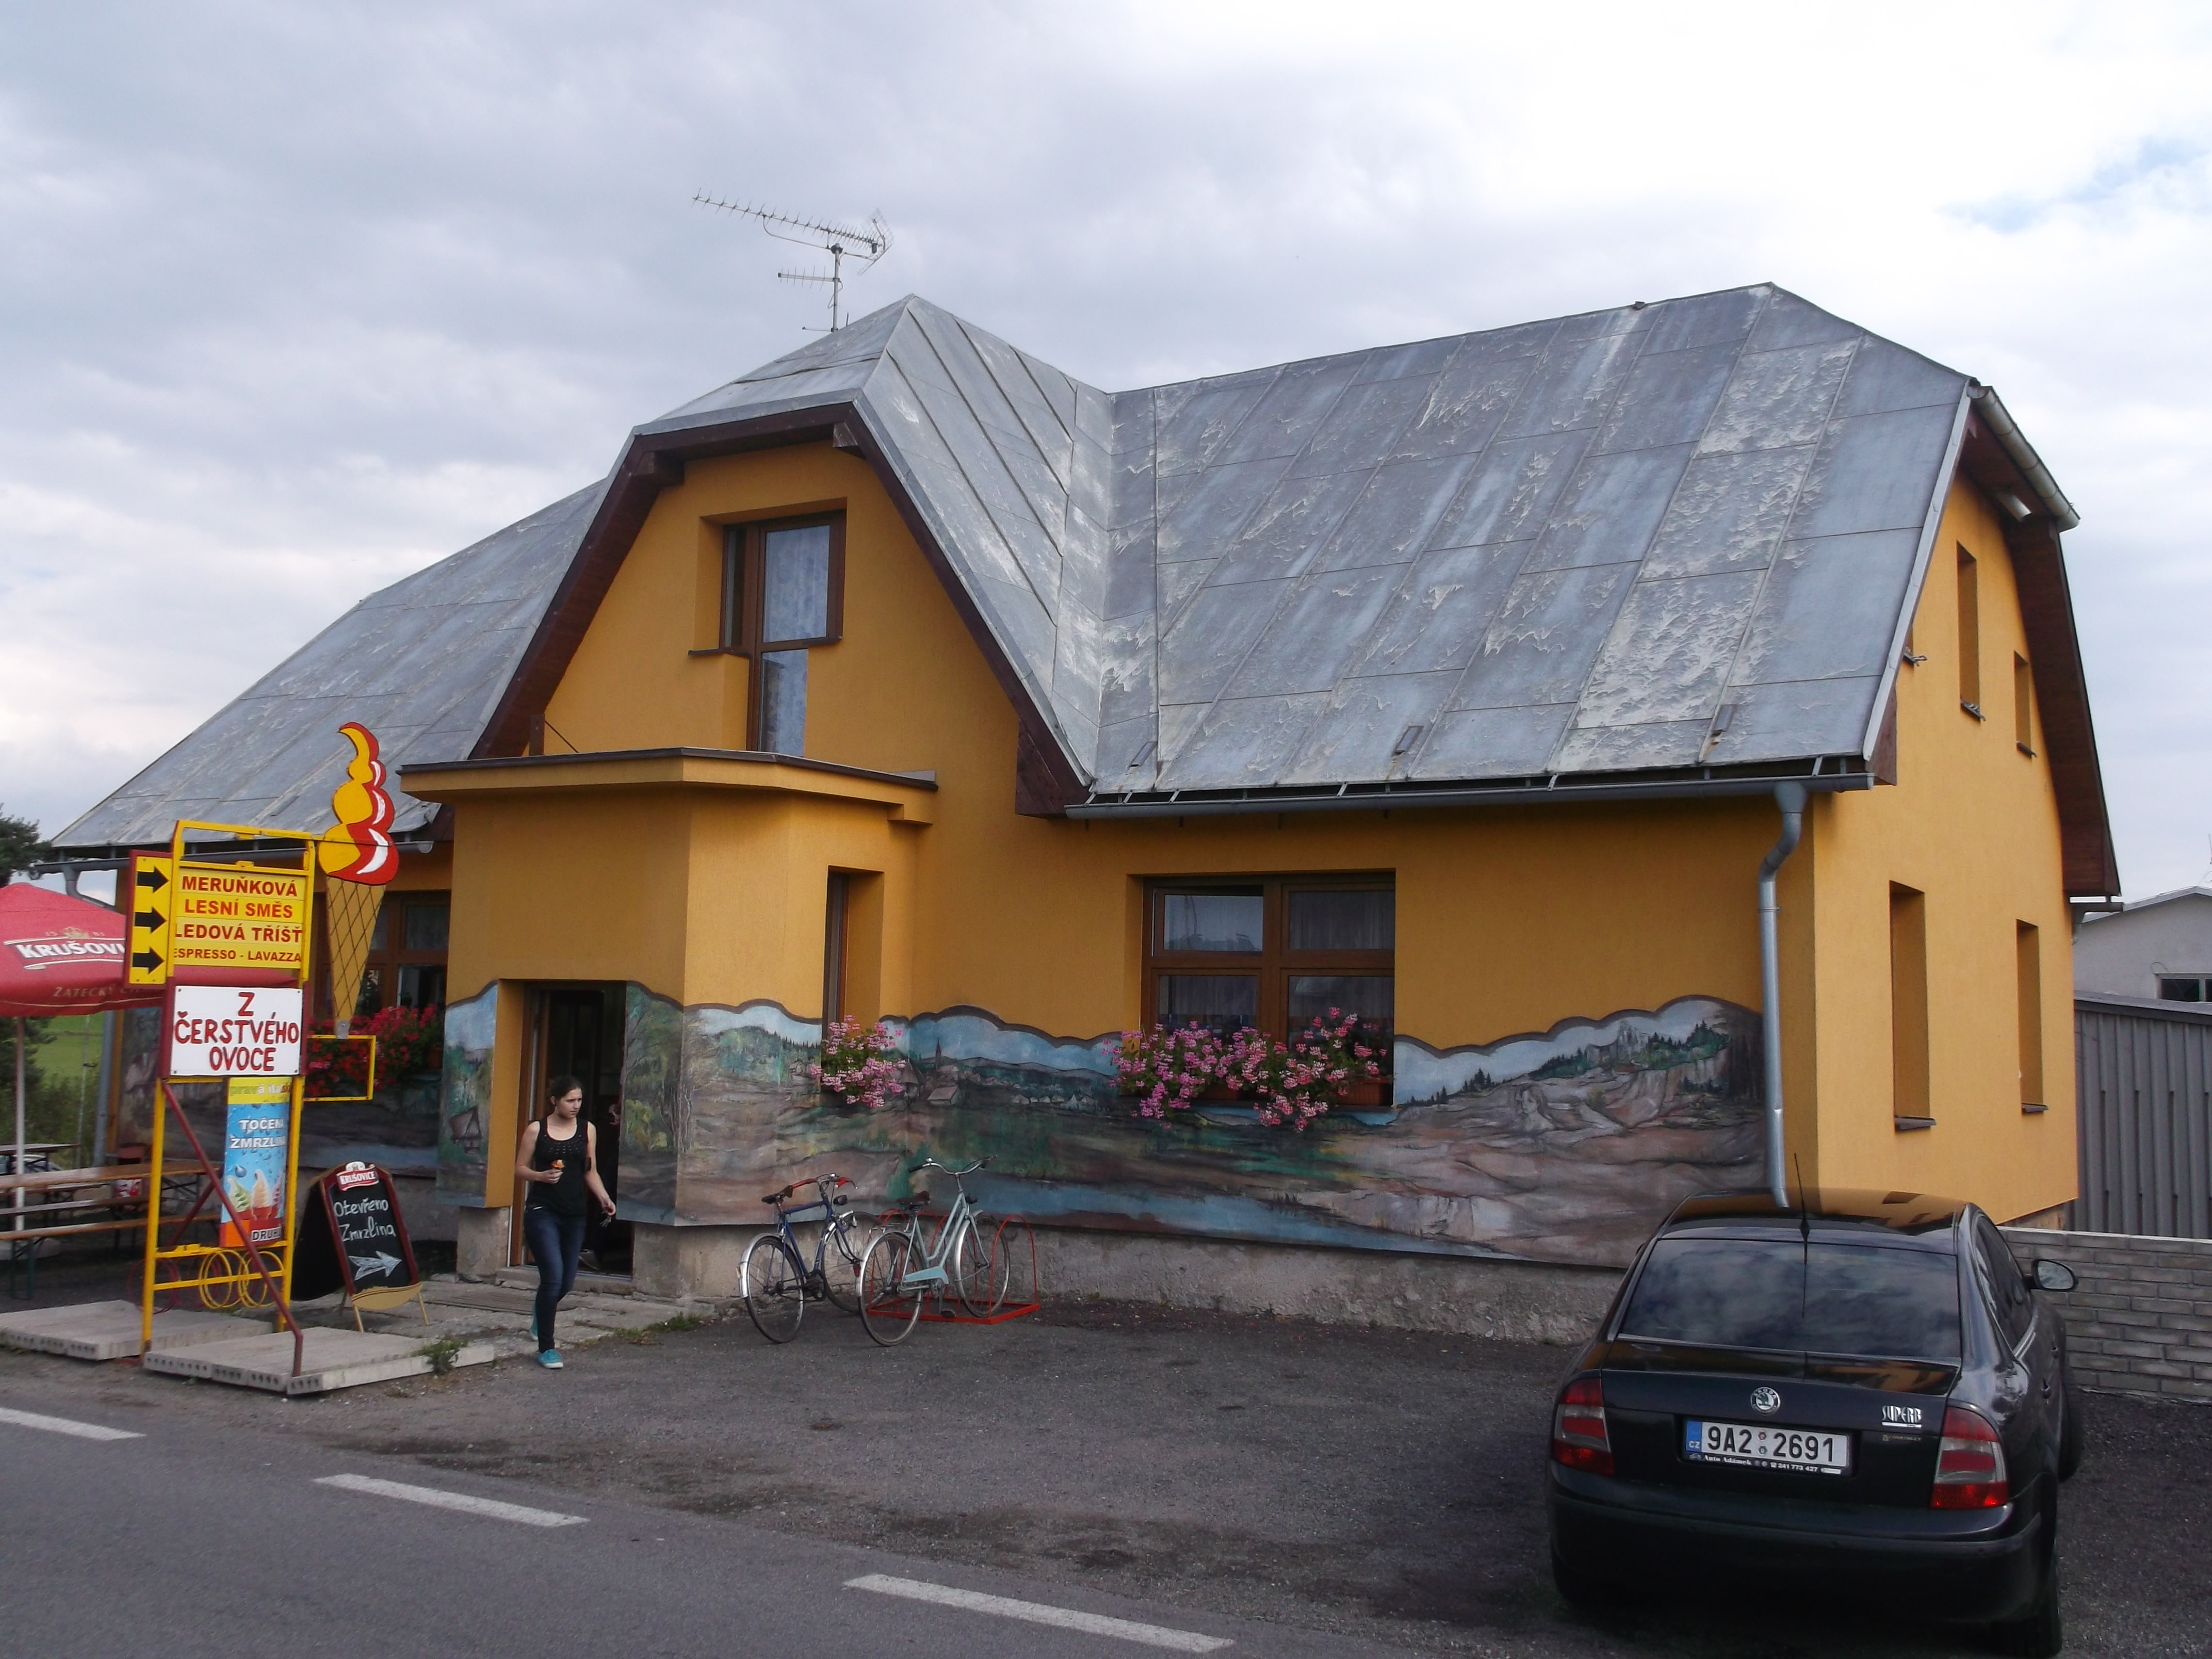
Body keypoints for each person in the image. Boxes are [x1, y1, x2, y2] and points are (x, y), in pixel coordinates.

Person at [514, 1075, 616, 1369]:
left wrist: (604, 1198)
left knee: (567, 1282)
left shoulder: (587, 1129)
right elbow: (519, 1169)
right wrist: (540, 1176)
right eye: (570, 1100)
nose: (576, 1105)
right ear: (554, 1101)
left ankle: (541, 1311)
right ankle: (547, 1348)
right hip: (542, 1211)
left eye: (579, 1100)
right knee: (553, 1277)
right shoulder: (537, 1129)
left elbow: (589, 1171)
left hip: (574, 1214)